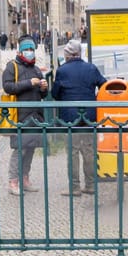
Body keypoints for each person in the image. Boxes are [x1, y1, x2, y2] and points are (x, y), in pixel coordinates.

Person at [50, 39, 106, 197]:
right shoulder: (91, 68)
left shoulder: (62, 70)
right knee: (88, 150)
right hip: (89, 116)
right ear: (80, 54)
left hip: (70, 118)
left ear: (67, 55)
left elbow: (55, 94)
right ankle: (90, 185)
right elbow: (104, 84)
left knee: (73, 152)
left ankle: (74, 188)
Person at [1, 38, 48, 193]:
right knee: (19, 149)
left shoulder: (36, 69)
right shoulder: (12, 67)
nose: (30, 52)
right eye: (27, 49)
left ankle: (25, 179)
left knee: (31, 148)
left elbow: (43, 94)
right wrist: (29, 83)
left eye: (32, 50)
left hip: (35, 116)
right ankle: (13, 182)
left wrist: (43, 88)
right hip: (19, 117)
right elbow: (8, 87)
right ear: (20, 52)